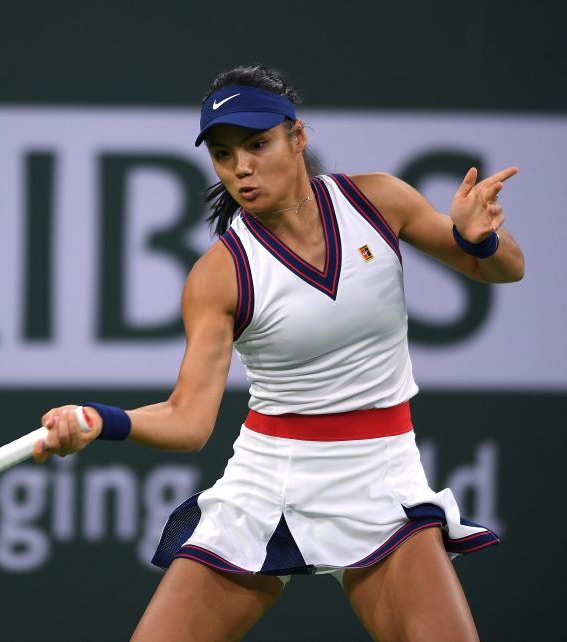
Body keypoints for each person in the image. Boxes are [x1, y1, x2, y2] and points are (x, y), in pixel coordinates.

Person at [32, 64, 525, 641]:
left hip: (382, 477)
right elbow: (189, 421)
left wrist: (479, 238)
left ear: (297, 137)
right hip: (269, 484)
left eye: (257, 144)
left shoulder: (379, 202)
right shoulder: (220, 275)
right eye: (222, 154)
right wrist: (101, 421)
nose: (241, 167)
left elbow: (504, 270)